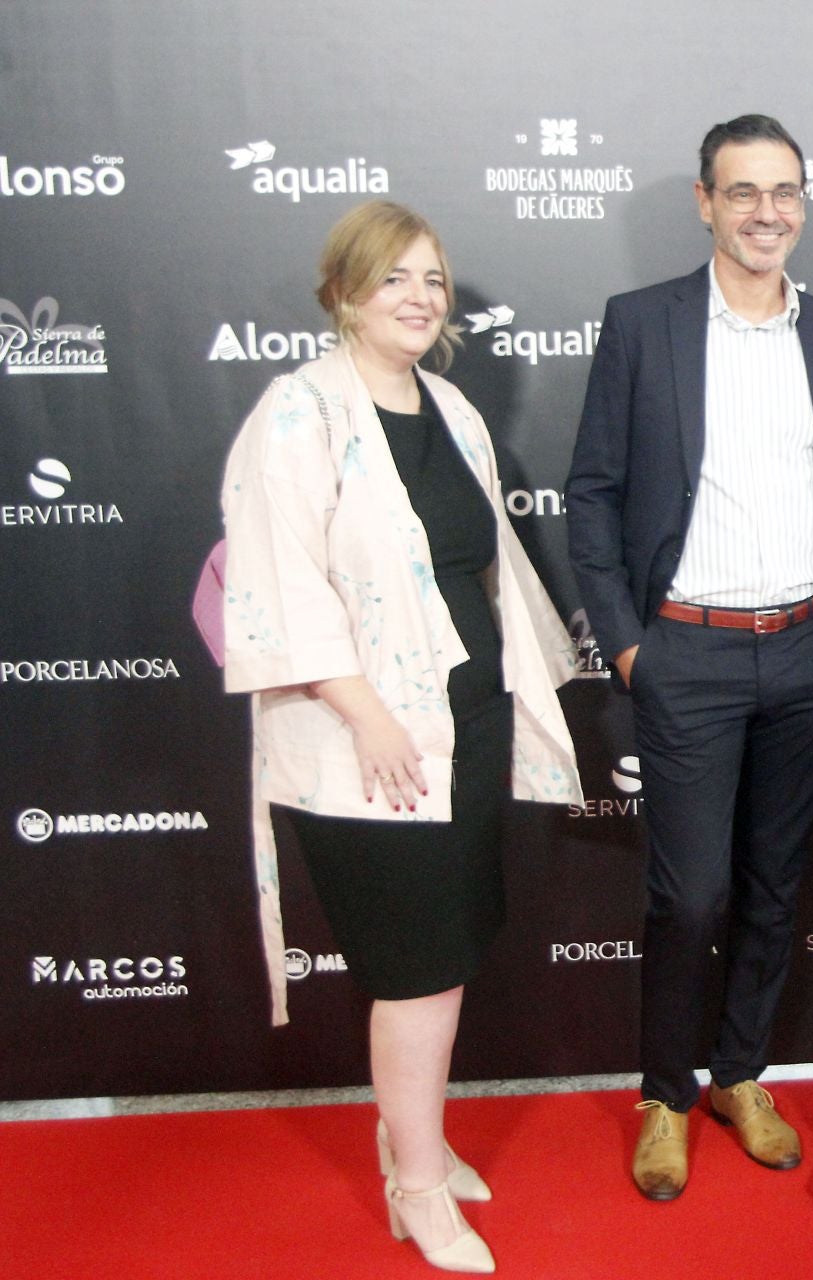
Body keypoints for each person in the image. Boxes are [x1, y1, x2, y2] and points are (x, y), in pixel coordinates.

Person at [221, 200, 583, 1274]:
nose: (421, 296)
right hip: (362, 746)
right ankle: (416, 1186)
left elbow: (486, 568)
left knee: (444, 954)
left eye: (433, 278)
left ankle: (408, 1137)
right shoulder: (296, 413)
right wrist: (368, 712)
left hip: (462, 725)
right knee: (416, 965)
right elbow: (276, 586)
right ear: (342, 292)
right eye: (394, 279)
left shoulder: (453, 407)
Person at [564, 113, 813, 1201]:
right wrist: (630, 650)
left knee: (772, 884)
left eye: (784, 191)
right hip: (684, 657)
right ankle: (665, 1090)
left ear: (804, 201)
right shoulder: (643, 324)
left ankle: (741, 1073)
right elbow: (593, 493)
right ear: (704, 201)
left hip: (810, 649)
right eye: (743, 192)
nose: (766, 212)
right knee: (689, 894)